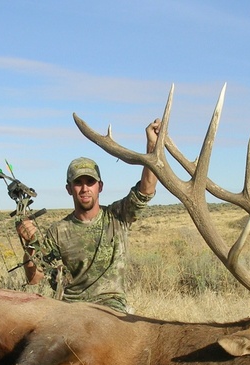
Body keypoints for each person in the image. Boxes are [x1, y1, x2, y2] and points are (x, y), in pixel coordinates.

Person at [15, 119, 161, 313]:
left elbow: (147, 189)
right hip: (72, 312)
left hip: (112, 310)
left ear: (99, 186)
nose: (85, 188)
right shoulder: (58, 232)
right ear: (69, 189)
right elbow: (34, 279)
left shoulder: (118, 216)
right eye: (78, 183)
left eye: (90, 182)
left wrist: (152, 145)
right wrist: (30, 246)